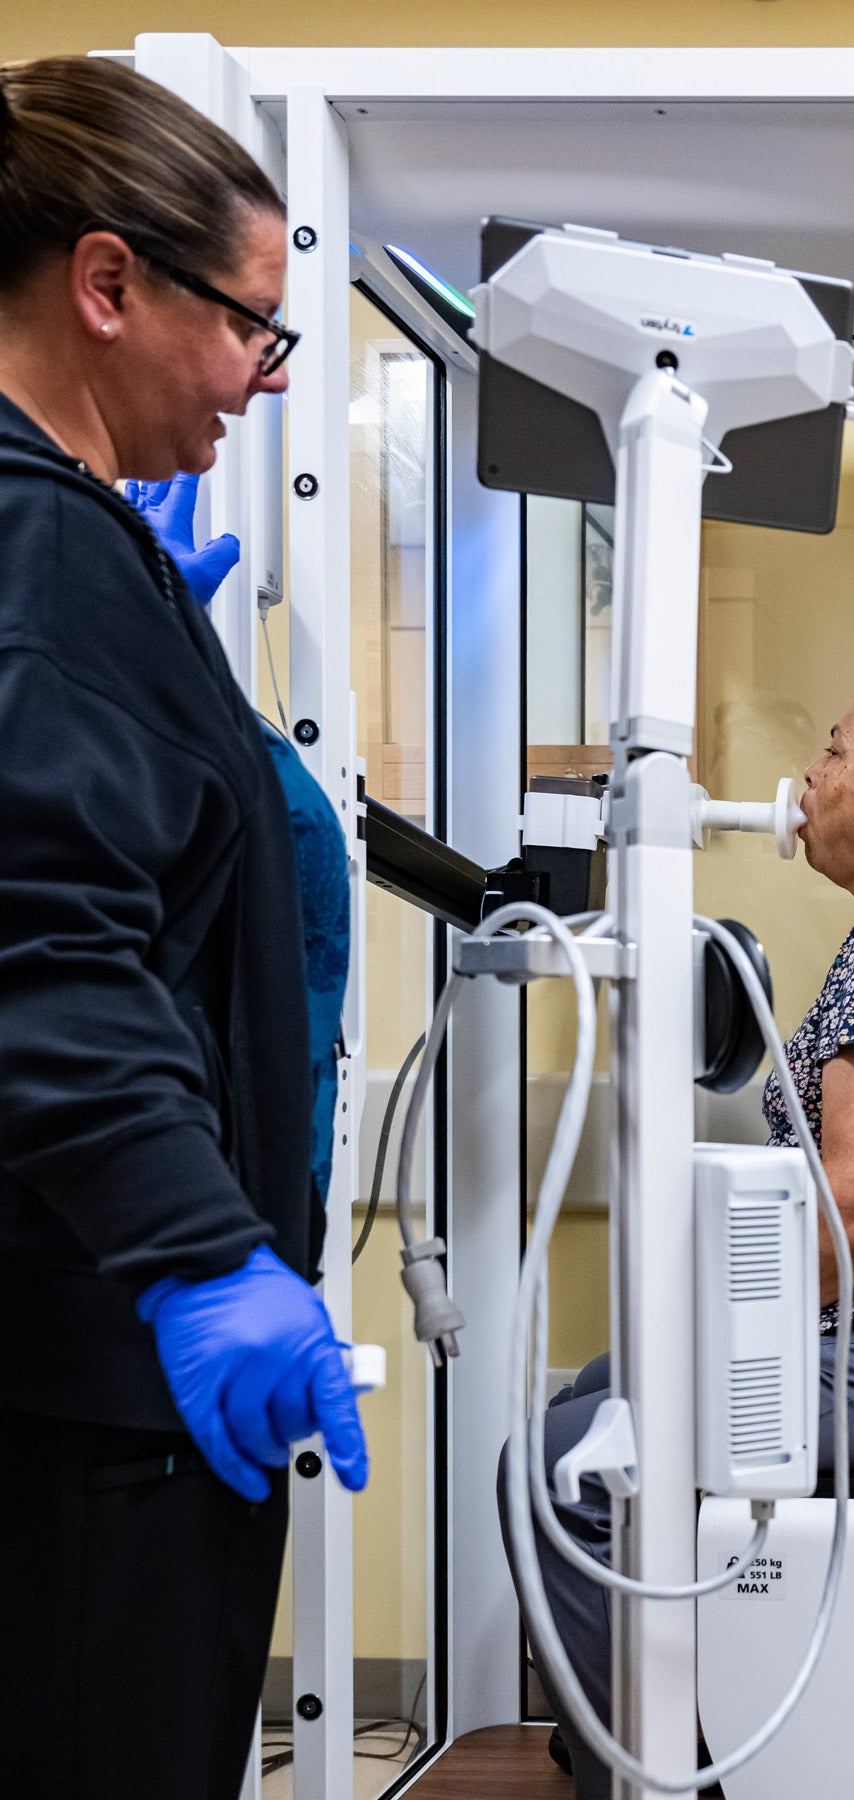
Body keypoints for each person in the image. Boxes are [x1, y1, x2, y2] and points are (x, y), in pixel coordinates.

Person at [0, 56, 367, 1800]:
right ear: (106, 282)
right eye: (250, 327)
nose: (257, 380)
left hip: (104, 1360)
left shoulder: (75, 545)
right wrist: (198, 1256)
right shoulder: (38, 549)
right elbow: (45, 943)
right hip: (95, 1372)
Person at [504, 671, 854, 1799]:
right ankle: (639, 1728)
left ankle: (663, 1774)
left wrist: (714, 1330)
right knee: (592, 1397)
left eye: (834, 749)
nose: (809, 774)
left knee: (560, 1468)